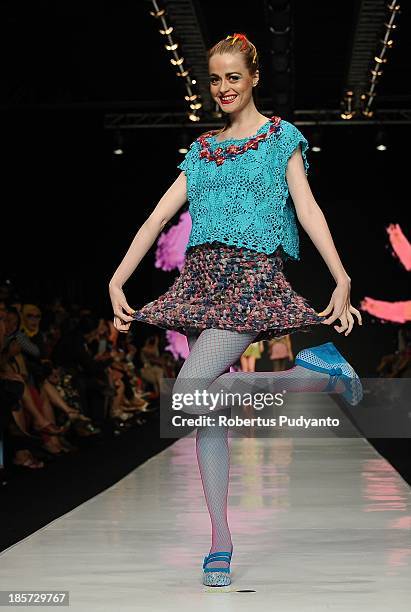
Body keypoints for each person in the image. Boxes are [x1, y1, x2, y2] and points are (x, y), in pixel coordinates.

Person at [109, 32, 363, 587]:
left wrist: (341, 276)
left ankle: (311, 377)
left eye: (232, 77)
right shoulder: (201, 151)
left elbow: (308, 207)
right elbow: (155, 220)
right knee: (203, 406)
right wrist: (117, 277)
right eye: (215, 79)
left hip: (250, 279)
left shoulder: (280, 138)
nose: (222, 87)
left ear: (252, 79)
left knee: (193, 392)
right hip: (206, 282)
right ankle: (220, 538)